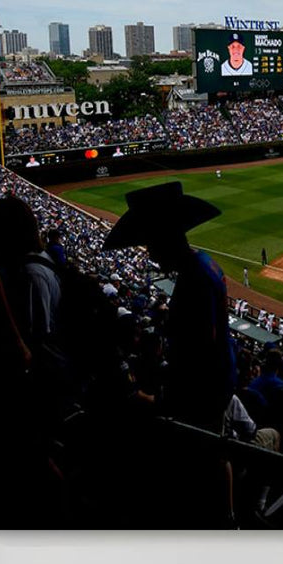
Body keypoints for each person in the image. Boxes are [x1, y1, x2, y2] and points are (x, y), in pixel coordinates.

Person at [103, 181, 234, 432]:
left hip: (203, 397)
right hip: (214, 387)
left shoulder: (195, 278)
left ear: (166, 240)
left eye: (151, 245)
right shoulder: (203, 264)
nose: (151, 255)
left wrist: (163, 400)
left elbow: (200, 350)